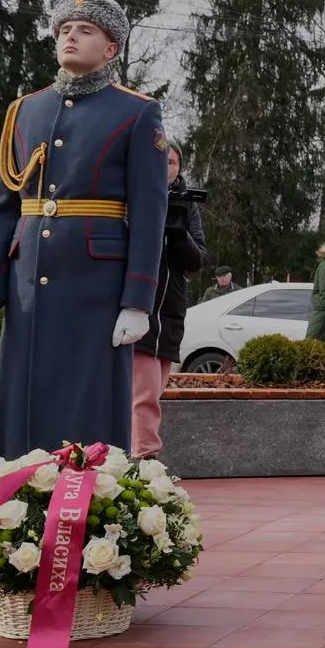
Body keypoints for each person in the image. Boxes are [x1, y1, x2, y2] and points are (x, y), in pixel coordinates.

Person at [0, 0, 170, 457]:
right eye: (63, 30)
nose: (70, 37)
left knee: (91, 403)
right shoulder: (23, 111)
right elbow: (1, 206)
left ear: (111, 48)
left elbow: (149, 211)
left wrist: (137, 300)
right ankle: (18, 505)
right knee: (22, 400)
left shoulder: (137, 112)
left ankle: (89, 508)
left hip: (96, 286)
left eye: (84, 30)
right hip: (27, 286)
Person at [133, 143, 208, 459]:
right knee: (144, 392)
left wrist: (178, 234)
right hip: (138, 307)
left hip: (170, 309)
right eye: (161, 162)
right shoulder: (134, 196)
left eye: (173, 163)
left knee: (156, 388)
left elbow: (197, 260)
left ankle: (138, 452)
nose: (167, 168)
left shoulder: (188, 205)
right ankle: (144, 455)